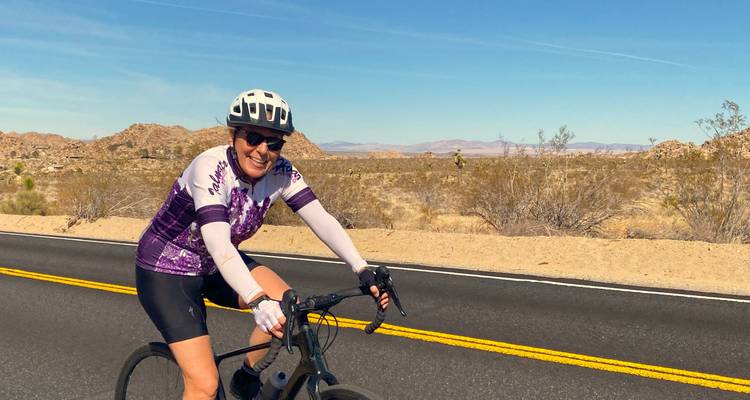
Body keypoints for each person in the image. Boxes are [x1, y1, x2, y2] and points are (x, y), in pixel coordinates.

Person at [134, 89, 389, 400]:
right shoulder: (210, 168)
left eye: (274, 142)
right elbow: (218, 243)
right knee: (204, 385)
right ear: (234, 136)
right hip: (166, 270)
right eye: (253, 137)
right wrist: (257, 300)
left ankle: (247, 376)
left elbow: (321, 218)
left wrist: (361, 267)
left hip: (215, 265)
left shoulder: (281, 172)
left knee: (287, 307)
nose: (262, 150)